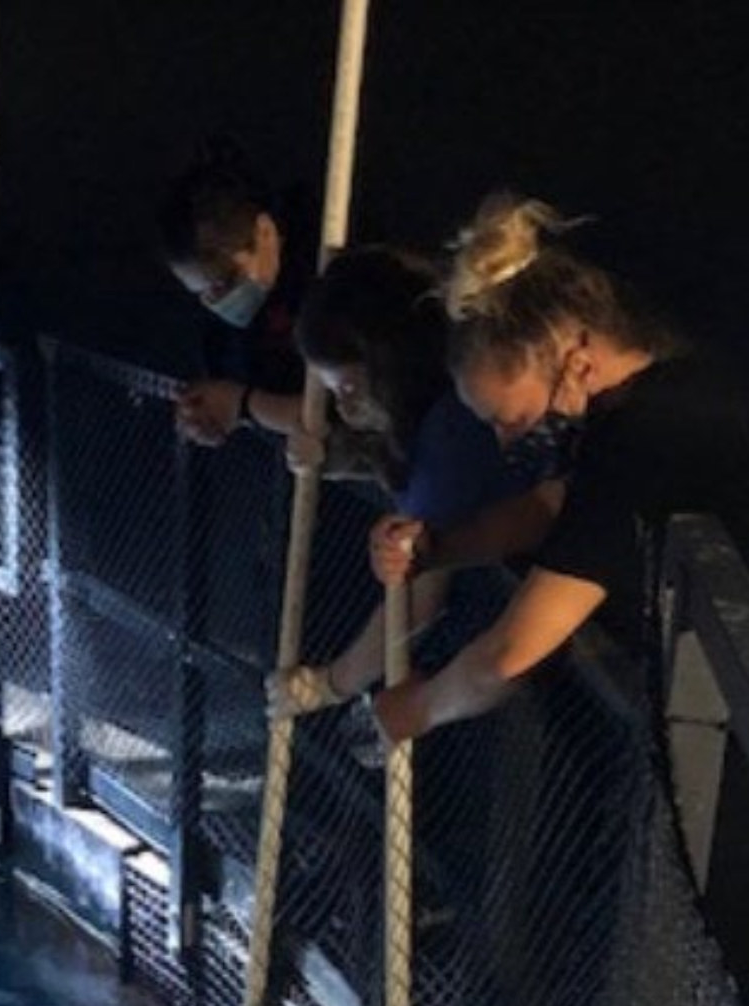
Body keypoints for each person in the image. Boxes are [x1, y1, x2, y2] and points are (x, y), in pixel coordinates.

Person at [368, 195, 749, 743]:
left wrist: (419, 708)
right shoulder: (666, 395)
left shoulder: (641, 442)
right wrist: (436, 547)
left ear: (574, 357)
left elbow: (511, 653)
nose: (508, 443)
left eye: (514, 419)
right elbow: (550, 508)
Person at [266, 246, 552, 718]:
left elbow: (416, 597)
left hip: (530, 652)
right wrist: (336, 455)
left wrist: (328, 685)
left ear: (388, 362)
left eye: (349, 388)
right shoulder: (444, 398)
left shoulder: (450, 442)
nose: (345, 407)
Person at [156, 144, 314, 449]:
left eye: (226, 282)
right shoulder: (225, 336)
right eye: (203, 294)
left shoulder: (330, 270)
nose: (218, 302)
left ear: (264, 232)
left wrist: (242, 405)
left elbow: (339, 416)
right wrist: (210, 413)